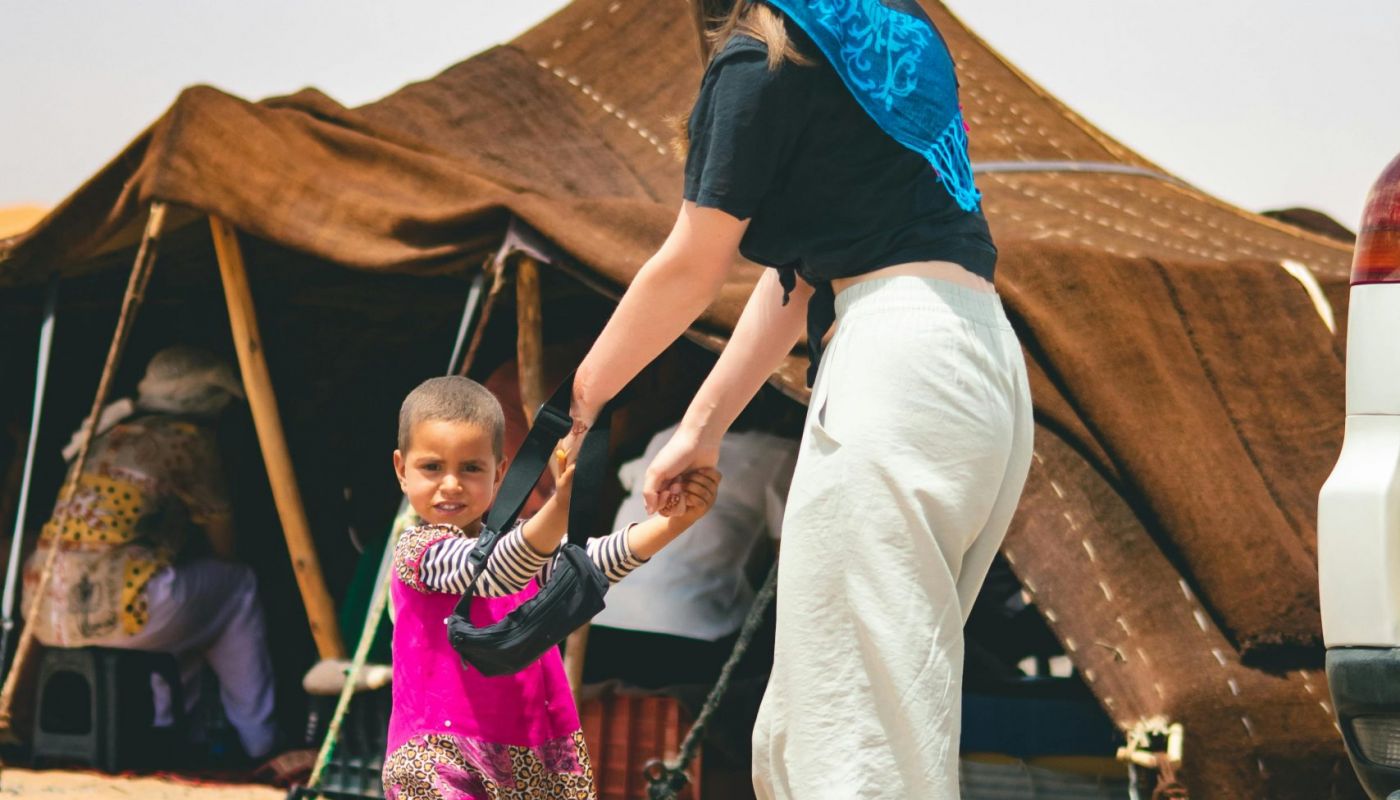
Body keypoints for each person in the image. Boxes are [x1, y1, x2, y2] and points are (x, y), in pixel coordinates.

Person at [558, 2, 1034, 797]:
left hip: (896, 363)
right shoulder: (892, 31)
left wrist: (578, 400)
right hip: (974, 357)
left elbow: (690, 265)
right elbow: (806, 271)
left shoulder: (761, 57)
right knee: (836, 719)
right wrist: (703, 426)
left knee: (854, 739)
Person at [382, 376, 720, 800]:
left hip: (530, 760)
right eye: (432, 467)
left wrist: (673, 523)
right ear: (401, 470)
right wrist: (561, 507)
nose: (451, 484)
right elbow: (494, 572)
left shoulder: (523, 545)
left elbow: (587, 565)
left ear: (500, 471)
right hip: (438, 759)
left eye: (471, 468)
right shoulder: (419, 551)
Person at [22, 346, 277, 760]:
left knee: (188, 602)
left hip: (46, 610)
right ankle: (260, 741)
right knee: (237, 587)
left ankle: (170, 732)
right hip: (120, 613)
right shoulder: (187, 441)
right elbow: (225, 546)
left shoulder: (108, 433)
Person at [585, 413, 798, 688]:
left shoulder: (669, 436)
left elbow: (630, 478)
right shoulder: (784, 454)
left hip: (601, 626)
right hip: (694, 638)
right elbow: (790, 560)